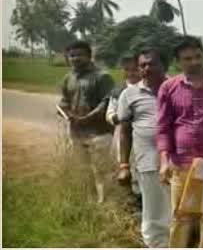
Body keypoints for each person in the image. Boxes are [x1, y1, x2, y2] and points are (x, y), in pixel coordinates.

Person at [156, 36, 203, 248]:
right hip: (181, 163)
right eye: (187, 59)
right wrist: (164, 160)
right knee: (182, 216)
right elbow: (163, 127)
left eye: (198, 56)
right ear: (178, 62)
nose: (194, 62)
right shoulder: (169, 88)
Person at [116, 48, 171, 248]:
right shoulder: (129, 94)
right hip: (147, 161)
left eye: (152, 63)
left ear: (163, 65)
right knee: (153, 210)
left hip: (179, 161)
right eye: (142, 65)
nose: (147, 68)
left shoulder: (176, 88)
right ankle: (156, 245)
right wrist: (123, 165)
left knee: (180, 209)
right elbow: (124, 131)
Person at [57, 40, 115, 204]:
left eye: (80, 55)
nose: (75, 58)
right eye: (72, 55)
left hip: (100, 133)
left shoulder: (103, 77)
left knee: (101, 171)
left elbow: (107, 103)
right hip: (77, 132)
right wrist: (64, 111)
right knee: (83, 169)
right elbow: (64, 101)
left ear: (89, 56)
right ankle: (88, 202)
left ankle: (106, 205)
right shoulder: (68, 78)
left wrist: (85, 119)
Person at [109, 54, 141, 201]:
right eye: (127, 69)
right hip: (123, 134)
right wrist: (117, 117)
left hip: (142, 136)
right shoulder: (118, 91)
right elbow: (110, 113)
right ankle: (130, 200)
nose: (131, 73)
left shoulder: (148, 88)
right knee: (126, 165)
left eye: (135, 69)